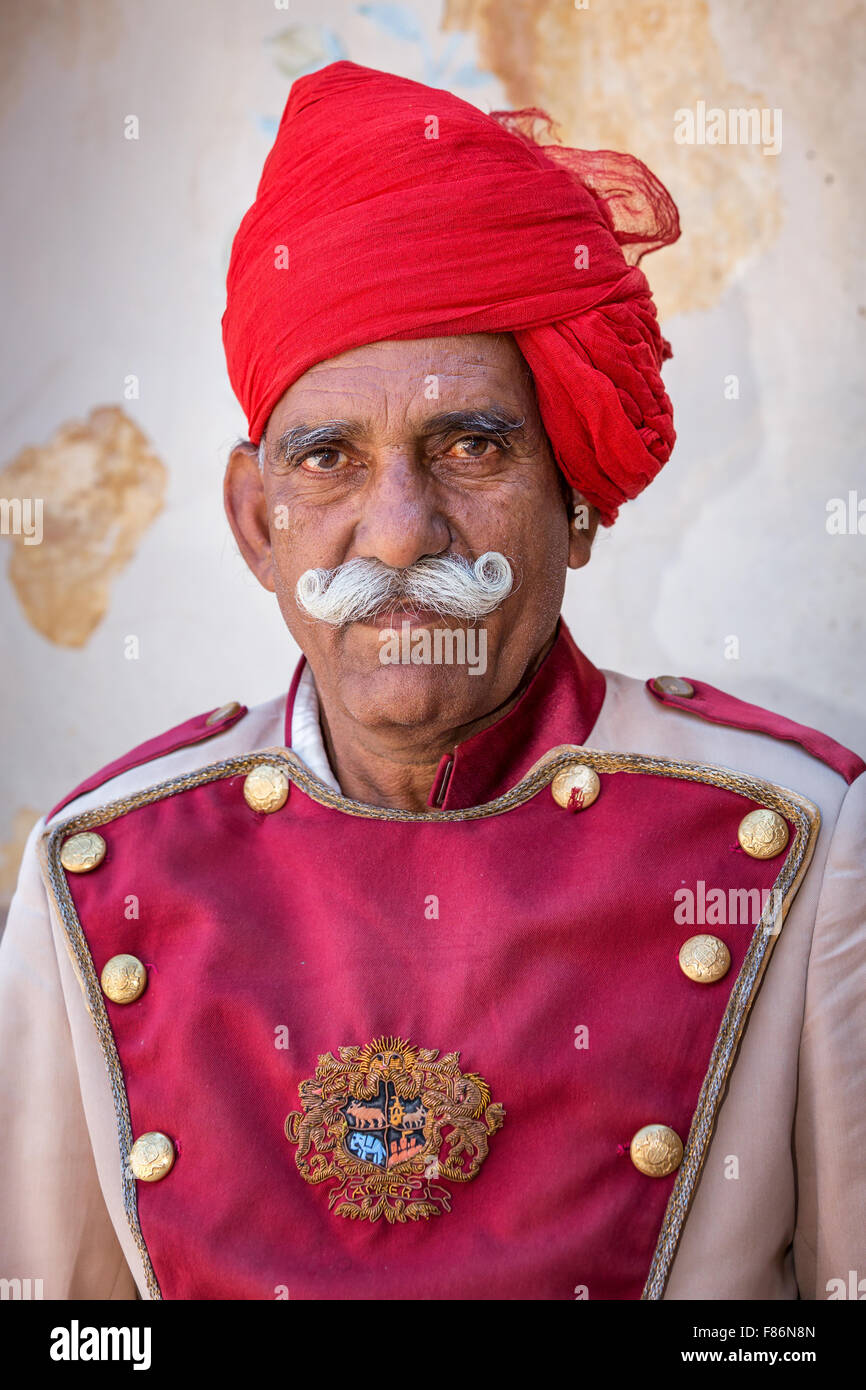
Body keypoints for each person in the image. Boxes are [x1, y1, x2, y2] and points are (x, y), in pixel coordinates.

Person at [1, 62, 863, 1302]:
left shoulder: (797, 842)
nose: (400, 532)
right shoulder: (98, 869)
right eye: (330, 460)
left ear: (573, 501)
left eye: (470, 445)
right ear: (259, 526)